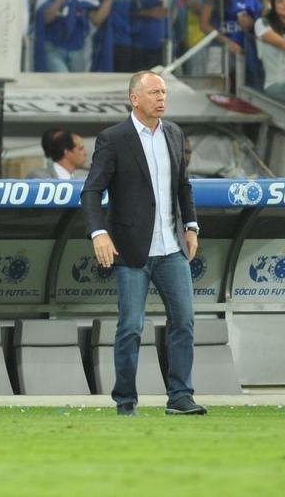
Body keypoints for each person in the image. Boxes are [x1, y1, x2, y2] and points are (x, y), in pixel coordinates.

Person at [81, 71, 203, 417]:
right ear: (135, 99)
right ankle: (125, 402)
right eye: (154, 92)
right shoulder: (113, 139)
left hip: (171, 249)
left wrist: (191, 226)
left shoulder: (175, 134)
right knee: (131, 327)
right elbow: (91, 191)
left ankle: (180, 397)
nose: (161, 98)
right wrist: (98, 232)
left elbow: (183, 186)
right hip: (131, 249)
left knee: (184, 322)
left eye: (164, 92)